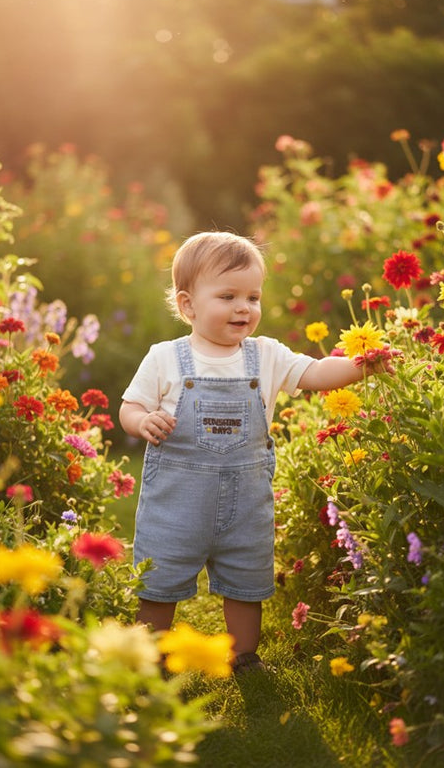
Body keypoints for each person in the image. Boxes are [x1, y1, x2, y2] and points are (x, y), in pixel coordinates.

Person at [119, 231, 388, 674]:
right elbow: (131, 405)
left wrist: (361, 365)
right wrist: (142, 420)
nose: (244, 307)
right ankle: (152, 655)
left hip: (245, 504)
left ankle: (243, 655)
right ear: (188, 305)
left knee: (246, 580)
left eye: (253, 296)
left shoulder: (266, 356)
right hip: (176, 503)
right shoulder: (166, 357)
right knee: (160, 578)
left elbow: (318, 371)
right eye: (228, 296)